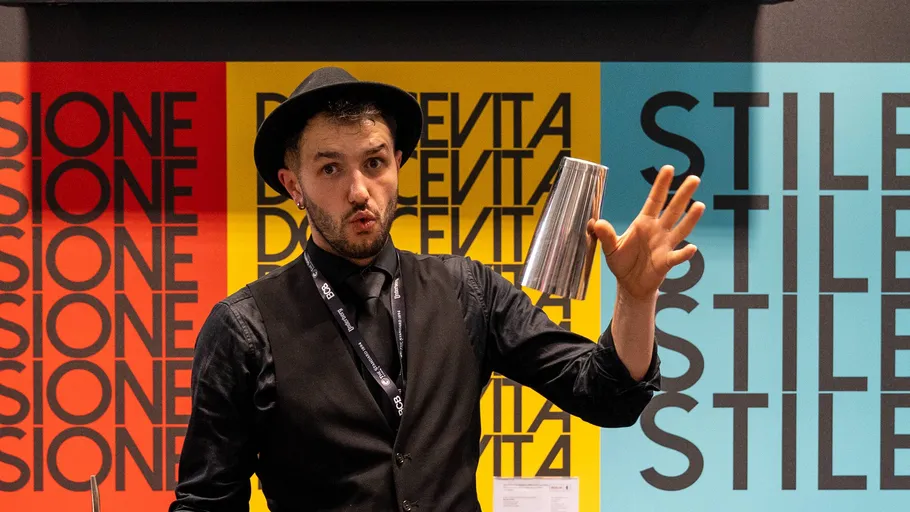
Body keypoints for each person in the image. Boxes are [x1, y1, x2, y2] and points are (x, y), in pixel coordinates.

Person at [169, 66, 705, 512]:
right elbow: (207, 502)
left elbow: (607, 396)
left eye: (375, 163)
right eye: (330, 168)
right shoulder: (245, 328)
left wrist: (636, 298)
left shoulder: (468, 289)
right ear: (294, 186)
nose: (359, 191)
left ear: (398, 164)